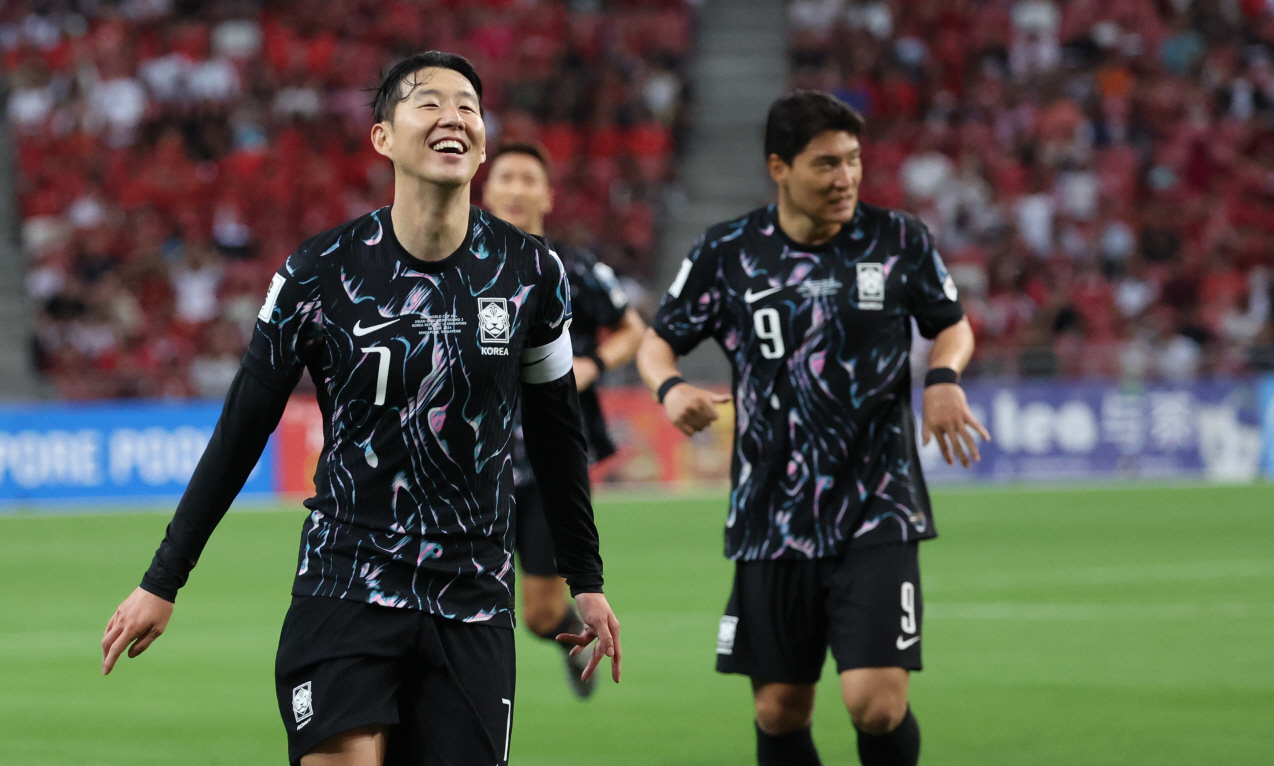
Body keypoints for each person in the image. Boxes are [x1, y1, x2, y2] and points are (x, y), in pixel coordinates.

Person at [101, 51, 622, 766]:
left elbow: (559, 436)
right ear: (383, 138)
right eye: (428, 101)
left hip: (471, 595)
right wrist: (164, 578)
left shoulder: (534, 274)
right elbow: (241, 430)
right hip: (346, 583)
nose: (453, 116)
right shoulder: (318, 274)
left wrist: (585, 581)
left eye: (468, 105)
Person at [635, 90, 987, 766]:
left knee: (877, 704)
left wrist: (943, 379)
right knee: (779, 708)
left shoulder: (897, 239)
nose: (846, 179)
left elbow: (951, 324)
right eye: (827, 164)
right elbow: (656, 344)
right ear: (779, 167)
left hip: (878, 504)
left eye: (854, 161)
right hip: (772, 512)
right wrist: (670, 387)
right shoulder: (729, 251)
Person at [481, 142, 646, 697]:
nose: (518, 188)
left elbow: (632, 328)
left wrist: (592, 363)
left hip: (548, 464)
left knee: (537, 614)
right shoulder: (457, 266)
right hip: (474, 465)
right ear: (486, 189)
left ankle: (567, 632)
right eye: (507, 177)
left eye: (531, 179)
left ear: (548, 196)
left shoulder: (572, 269)